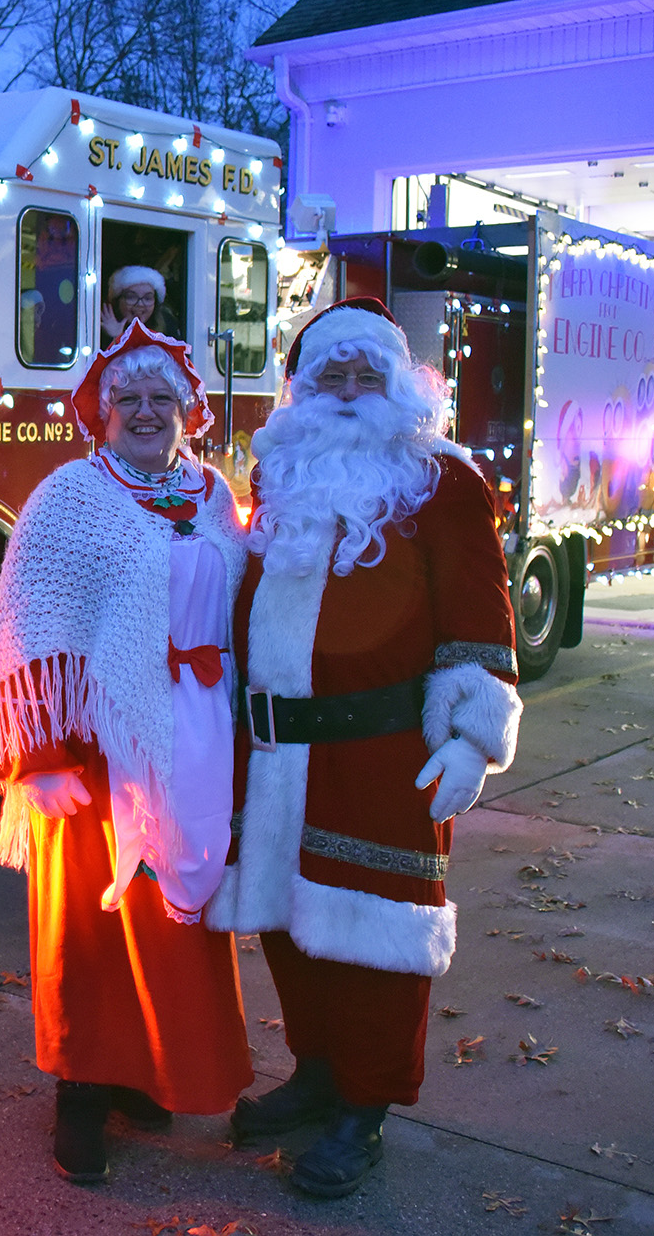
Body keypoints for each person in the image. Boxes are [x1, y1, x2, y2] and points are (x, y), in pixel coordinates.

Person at [205, 297, 522, 1198]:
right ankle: (317, 1072)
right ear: (301, 391)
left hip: (384, 755)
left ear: (400, 385)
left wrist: (469, 737)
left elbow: (478, 623)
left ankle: (367, 1107)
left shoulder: (445, 484)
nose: (348, 392)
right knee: (291, 927)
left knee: (377, 936)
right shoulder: (283, 475)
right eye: (329, 376)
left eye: (365, 375)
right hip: (275, 756)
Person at [0, 320, 252, 1184]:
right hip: (97, 752)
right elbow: (23, 628)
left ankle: (148, 1070)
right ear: (99, 410)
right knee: (92, 931)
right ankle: (82, 1092)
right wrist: (40, 755)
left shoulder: (212, 495)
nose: (143, 411)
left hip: (197, 740)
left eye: (161, 397)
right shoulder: (69, 497)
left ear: (188, 409)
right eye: (126, 397)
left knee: (176, 922)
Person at [98, 265, 173, 341]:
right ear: (118, 301)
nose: (140, 304)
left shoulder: (167, 327)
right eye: (131, 297)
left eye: (147, 298)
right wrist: (115, 337)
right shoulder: (97, 332)